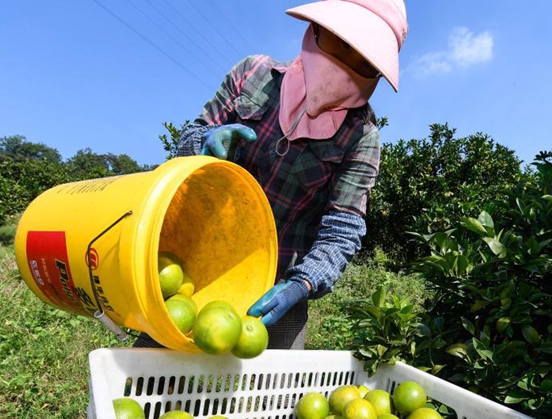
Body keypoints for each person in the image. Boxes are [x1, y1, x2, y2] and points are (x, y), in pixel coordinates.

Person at [136, 0, 408, 350]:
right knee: (158, 374)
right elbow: (191, 135)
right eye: (343, 45)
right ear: (317, 30)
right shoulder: (253, 75)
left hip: (276, 290)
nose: (346, 65)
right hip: (192, 267)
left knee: (266, 397)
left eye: (364, 62)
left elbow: (343, 229)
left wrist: (302, 284)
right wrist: (201, 142)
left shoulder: (361, 138)